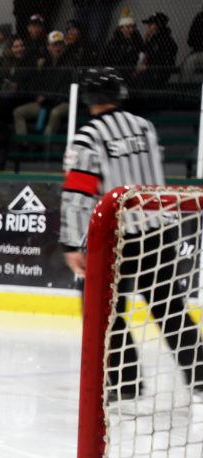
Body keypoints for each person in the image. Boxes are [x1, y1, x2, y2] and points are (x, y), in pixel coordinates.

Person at [60, 68, 203, 400]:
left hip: (116, 239)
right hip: (158, 231)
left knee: (105, 312)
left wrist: (71, 242)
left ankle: (124, 383)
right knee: (170, 308)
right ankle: (199, 374)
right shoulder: (145, 127)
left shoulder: (88, 136)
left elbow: (78, 195)